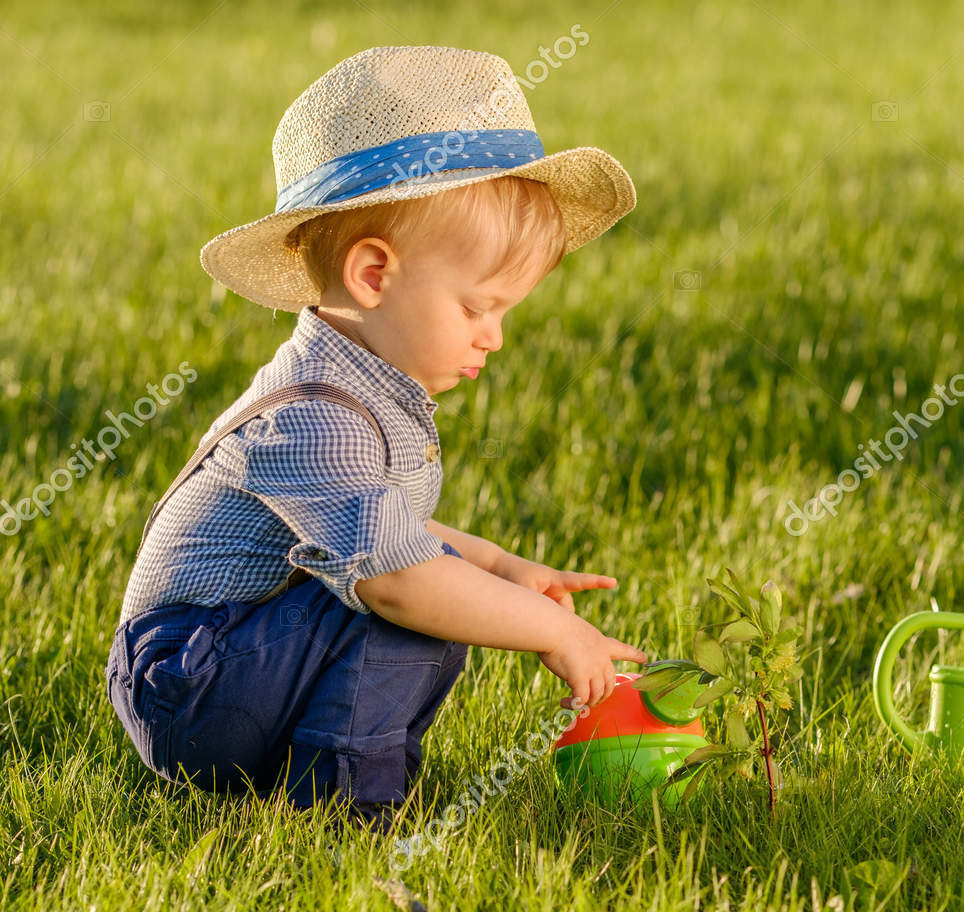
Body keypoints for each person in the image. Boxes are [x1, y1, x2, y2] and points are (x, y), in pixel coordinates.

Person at [106, 45, 648, 831]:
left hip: (228, 659)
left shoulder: (364, 383)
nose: (493, 338)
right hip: (189, 684)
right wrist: (555, 631)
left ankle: (329, 771)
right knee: (415, 603)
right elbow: (396, 575)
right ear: (372, 275)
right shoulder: (315, 416)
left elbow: (386, 528)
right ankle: (348, 810)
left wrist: (501, 567)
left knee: (439, 583)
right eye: (476, 308)